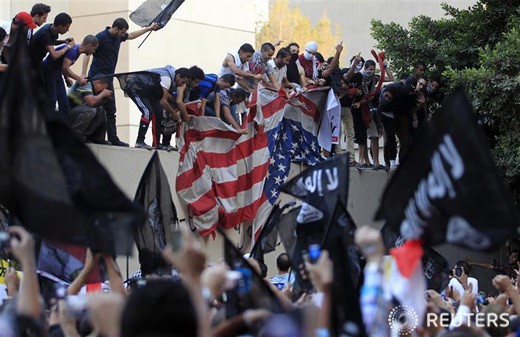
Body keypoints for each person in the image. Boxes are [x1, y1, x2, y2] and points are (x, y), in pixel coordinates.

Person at [82, 18, 158, 147]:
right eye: (122, 32)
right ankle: (89, 136)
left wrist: (148, 28)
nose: (123, 35)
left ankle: (113, 138)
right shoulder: (100, 37)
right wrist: (83, 74)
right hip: (96, 78)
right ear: (116, 29)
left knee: (111, 110)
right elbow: (87, 53)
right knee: (94, 106)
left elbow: (132, 35)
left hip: (109, 79)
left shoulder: (118, 37)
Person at [42, 35, 98, 121]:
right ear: (90, 45)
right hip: (48, 72)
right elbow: (65, 68)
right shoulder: (74, 51)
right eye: (94, 49)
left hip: (56, 73)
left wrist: (66, 78)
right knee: (52, 100)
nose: (93, 52)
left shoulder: (77, 51)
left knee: (64, 103)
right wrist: (79, 79)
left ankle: (63, 128)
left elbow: (61, 65)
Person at [67, 74, 112, 144]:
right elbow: (91, 102)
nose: (101, 91)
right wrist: (102, 94)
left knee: (100, 111)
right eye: (102, 89)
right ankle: (75, 135)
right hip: (68, 113)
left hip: (77, 113)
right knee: (91, 111)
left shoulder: (92, 89)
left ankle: (94, 138)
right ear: (98, 83)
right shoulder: (86, 83)